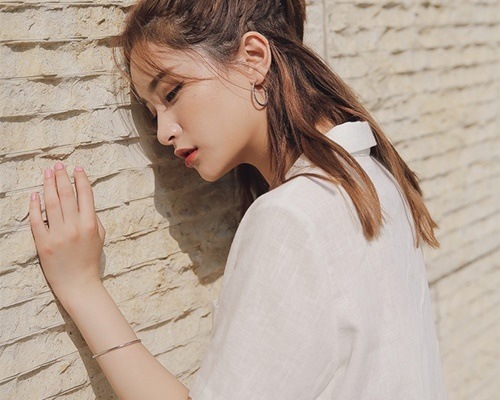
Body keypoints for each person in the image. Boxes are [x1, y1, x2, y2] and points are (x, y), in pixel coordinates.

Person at [28, 0, 449, 399]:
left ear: (253, 58)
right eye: (153, 113)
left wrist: (82, 288)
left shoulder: (293, 217)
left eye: (172, 93)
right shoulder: (374, 177)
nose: (163, 132)